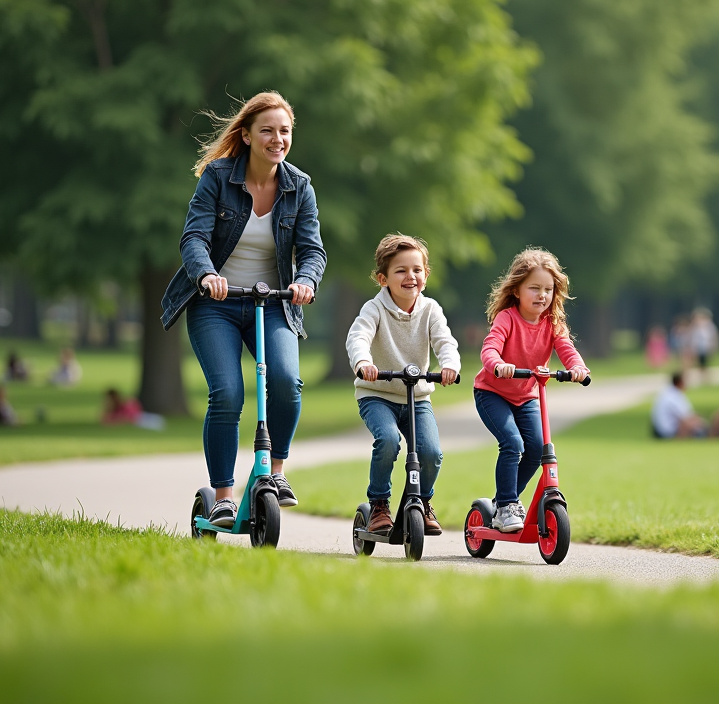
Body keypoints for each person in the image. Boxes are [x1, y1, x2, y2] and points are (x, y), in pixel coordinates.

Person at [159, 91, 327, 529]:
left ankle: (277, 474)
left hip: (271, 302)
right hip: (215, 302)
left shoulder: (300, 186)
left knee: (288, 383)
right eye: (268, 130)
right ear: (248, 135)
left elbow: (312, 251)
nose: (277, 139)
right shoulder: (217, 177)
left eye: (285, 131)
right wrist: (206, 275)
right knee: (228, 393)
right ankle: (223, 496)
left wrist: (305, 281)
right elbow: (193, 237)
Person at [346, 234, 460, 535]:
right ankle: (379, 504)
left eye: (417, 270)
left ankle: (422, 501)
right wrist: (363, 363)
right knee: (387, 441)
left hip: (417, 397)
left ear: (425, 274)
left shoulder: (431, 310)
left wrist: (449, 365)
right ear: (383, 278)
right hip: (378, 394)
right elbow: (358, 337)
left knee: (431, 452)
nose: (410, 276)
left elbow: (445, 341)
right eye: (401, 271)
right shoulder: (374, 309)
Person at [473, 248, 590, 533]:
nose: (542, 295)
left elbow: (567, 350)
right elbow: (490, 348)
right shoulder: (507, 318)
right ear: (517, 290)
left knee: (537, 448)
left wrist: (578, 369)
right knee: (513, 443)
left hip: (526, 395)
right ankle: (506, 506)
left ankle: (505, 500)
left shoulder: (552, 323)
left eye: (548, 289)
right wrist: (498, 364)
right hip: (493, 393)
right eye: (534, 288)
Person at [651, 372, 707, 439]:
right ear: (680, 382)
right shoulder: (674, 396)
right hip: (667, 431)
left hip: (660, 429)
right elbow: (686, 416)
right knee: (692, 423)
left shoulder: (666, 392)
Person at [689, 308, 718, 377]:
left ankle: (704, 375)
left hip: (705, 347)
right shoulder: (696, 327)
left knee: (703, 362)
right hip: (699, 347)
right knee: (700, 362)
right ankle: (703, 374)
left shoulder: (709, 326)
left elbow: (712, 337)